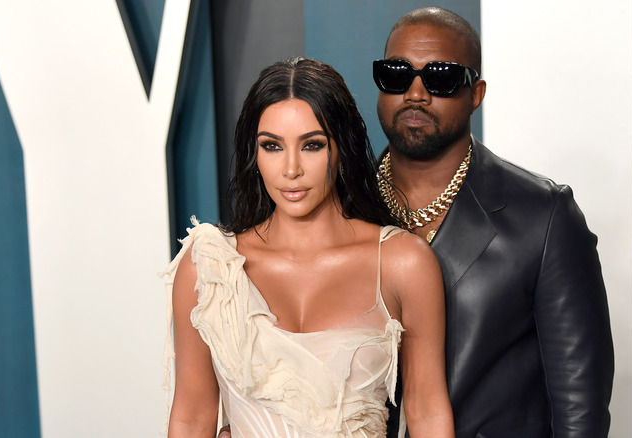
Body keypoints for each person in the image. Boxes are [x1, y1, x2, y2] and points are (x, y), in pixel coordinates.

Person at [163, 57, 454, 437]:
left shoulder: (403, 262)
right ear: (255, 155)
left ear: (342, 147)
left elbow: (427, 411)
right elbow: (192, 417)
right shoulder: (210, 268)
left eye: (312, 145)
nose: (291, 169)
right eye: (272, 146)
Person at [373, 7, 615, 437]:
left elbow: (581, 411)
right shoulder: (344, 207)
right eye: (396, 74)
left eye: (441, 77)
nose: (415, 93)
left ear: (476, 93)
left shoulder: (544, 217)